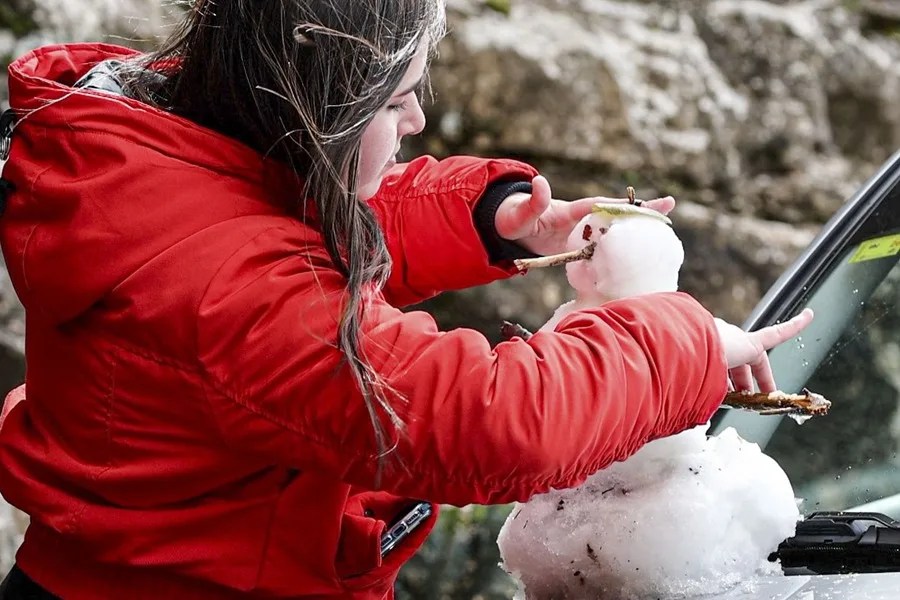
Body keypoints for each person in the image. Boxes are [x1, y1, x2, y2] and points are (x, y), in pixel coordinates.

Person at [0, 1, 812, 598]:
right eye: (394, 101)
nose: (420, 117)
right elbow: (488, 424)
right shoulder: (223, 292)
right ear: (314, 109)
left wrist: (490, 219)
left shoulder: (170, 164)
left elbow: (289, 222)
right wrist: (678, 340)